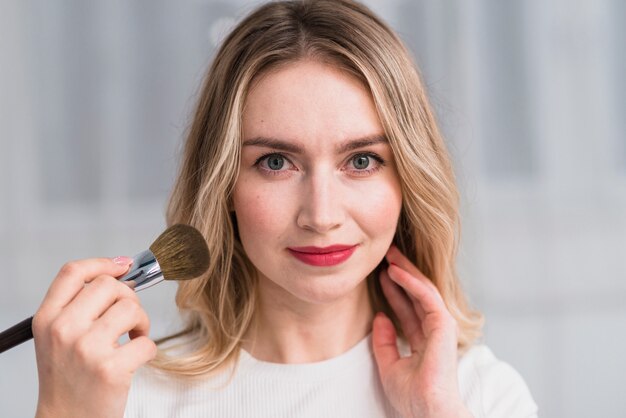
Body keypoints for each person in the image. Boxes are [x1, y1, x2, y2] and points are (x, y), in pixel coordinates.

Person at [31, 1, 538, 417]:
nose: (321, 215)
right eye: (276, 162)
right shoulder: (123, 398)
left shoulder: (480, 395)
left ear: (408, 179)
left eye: (361, 160)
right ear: (224, 184)